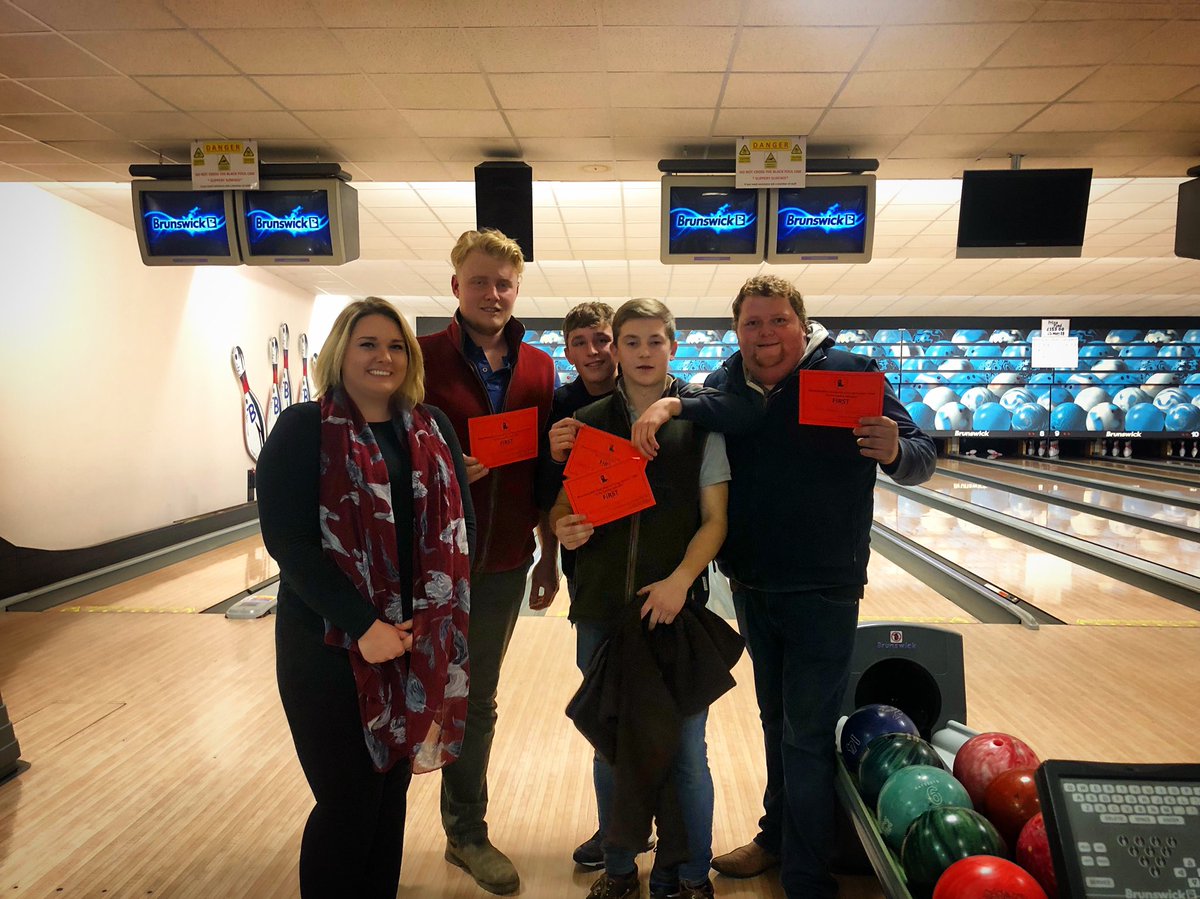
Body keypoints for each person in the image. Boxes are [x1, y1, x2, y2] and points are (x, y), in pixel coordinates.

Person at [631, 275, 937, 897]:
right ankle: (777, 839)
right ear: (736, 329)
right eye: (751, 324)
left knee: (805, 730)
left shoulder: (850, 373)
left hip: (824, 585)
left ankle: (806, 874)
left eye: (776, 322)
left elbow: (922, 452)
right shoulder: (723, 384)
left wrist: (895, 449)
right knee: (777, 722)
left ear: (802, 324)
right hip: (752, 584)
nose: (764, 335)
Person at [257, 297, 474, 899]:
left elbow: (464, 527)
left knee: (391, 794)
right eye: (368, 344)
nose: (384, 357)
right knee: (348, 800)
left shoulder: (433, 428)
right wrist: (363, 625)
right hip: (328, 645)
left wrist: (437, 618)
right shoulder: (304, 429)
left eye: (397, 345)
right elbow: (290, 544)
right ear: (340, 353)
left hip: (414, 643)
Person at [552, 298, 734, 899]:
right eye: (631, 341)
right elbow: (565, 506)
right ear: (616, 348)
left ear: (673, 346)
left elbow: (714, 520)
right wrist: (565, 527)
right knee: (611, 747)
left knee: (685, 752)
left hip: (673, 608)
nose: (644, 352)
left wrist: (682, 579)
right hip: (602, 609)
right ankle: (621, 867)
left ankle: (688, 875)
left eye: (656, 340)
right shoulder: (591, 421)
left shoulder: (699, 421)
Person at [418, 228, 558, 895]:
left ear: (516, 289)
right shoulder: (418, 358)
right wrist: (441, 469)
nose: (493, 293)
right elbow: (392, 449)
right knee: (407, 693)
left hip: (503, 559)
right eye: (480, 281)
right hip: (428, 560)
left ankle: (464, 830)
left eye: (504, 282)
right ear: (456, 287)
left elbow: (541, 475)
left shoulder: (538, 366)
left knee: (476, 699)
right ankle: (375, 814)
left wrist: (547, 557)